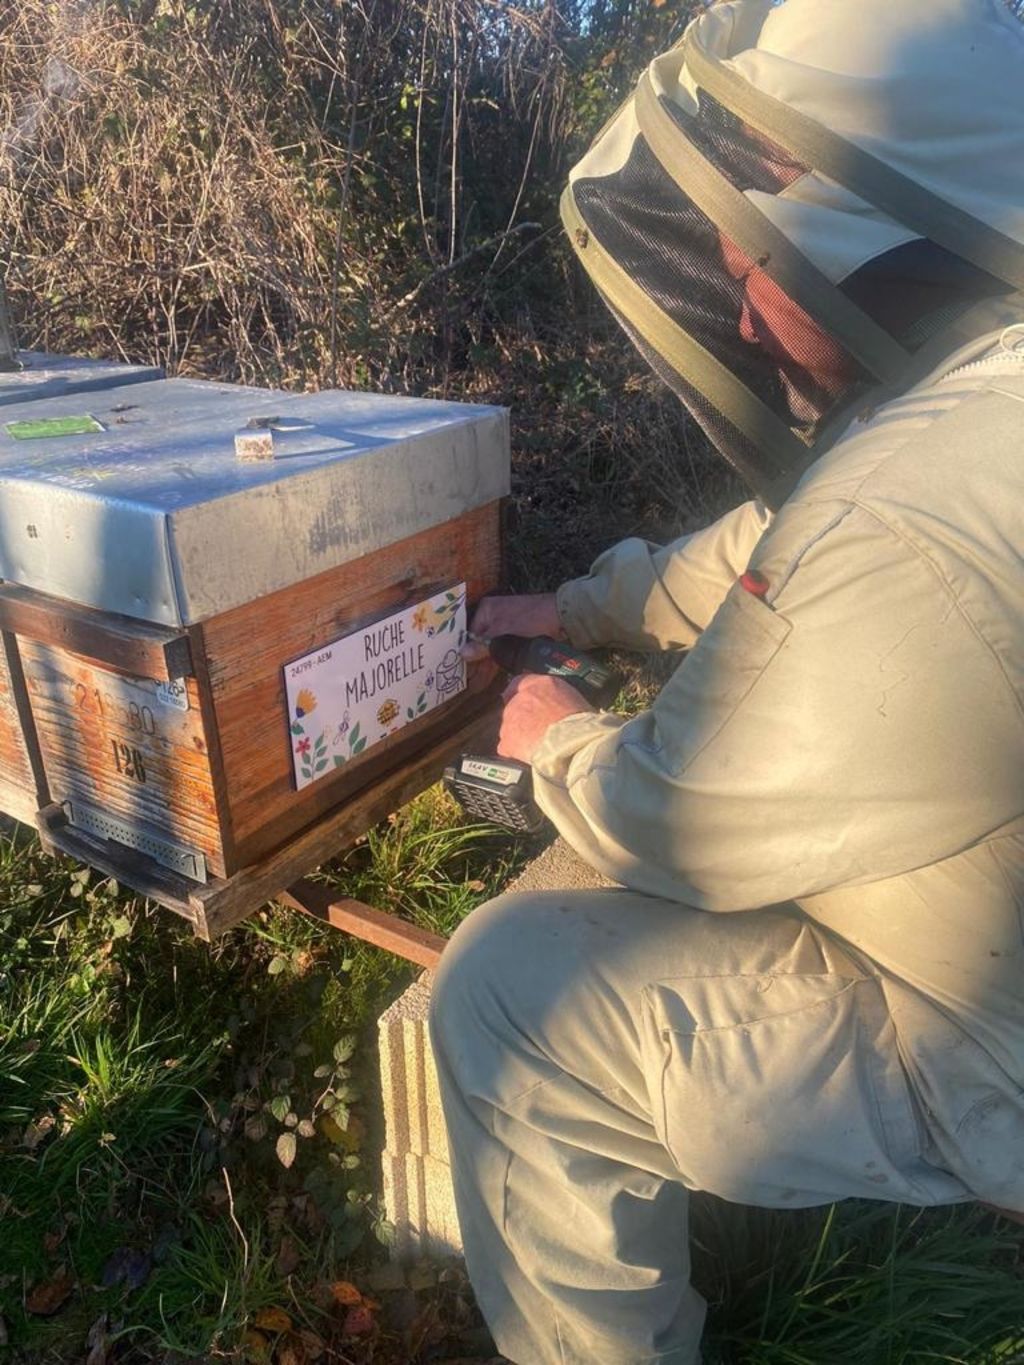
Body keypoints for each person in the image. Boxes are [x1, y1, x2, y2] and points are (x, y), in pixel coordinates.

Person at [429, 2, 1024, 1361]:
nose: (744, 313)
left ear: (866, 237)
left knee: (512, 995)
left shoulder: (908, 520)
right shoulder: (970, 405)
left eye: (752, 265)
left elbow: (678, 817)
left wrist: (558, 735)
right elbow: (772, 543)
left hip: (995, 1052)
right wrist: (576, 603)